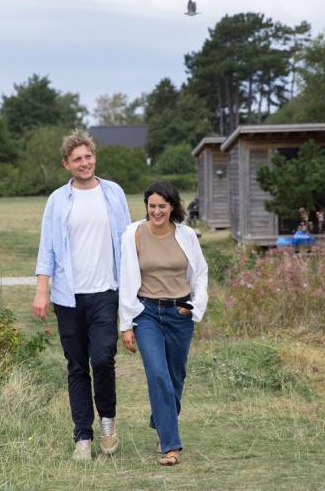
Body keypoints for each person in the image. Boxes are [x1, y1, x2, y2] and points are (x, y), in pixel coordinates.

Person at [33, 129, 131, 461]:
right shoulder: (58, 200)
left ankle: (107, 422)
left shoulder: (113, 193)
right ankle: (83, 437)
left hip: (106, 291)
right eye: (77, 159)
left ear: (95, 157)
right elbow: (46, 248)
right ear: (66, 164)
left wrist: (134, 288)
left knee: (103, 358)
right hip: (68, 297)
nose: (84, 162)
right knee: (77, 366)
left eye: (88, 156)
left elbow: (128, 243)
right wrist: (42, 291)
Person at [119, 180, 208, 466]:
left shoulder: (186, 235)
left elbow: (201, 273)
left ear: (172, 206)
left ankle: (162, 420)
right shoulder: (132, 234)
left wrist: (193, 307)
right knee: (158, 375)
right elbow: (125, 279)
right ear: (146, 206)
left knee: (175, 378)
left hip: (178, 313)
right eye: (152, 206)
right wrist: (126, 324)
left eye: (162, 206)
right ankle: (170, 445)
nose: (156, 211)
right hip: (146, 313)